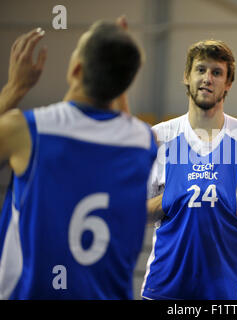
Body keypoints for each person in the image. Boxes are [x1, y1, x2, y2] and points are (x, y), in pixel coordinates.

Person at [0, 17, 157, 299]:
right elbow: (121, 123)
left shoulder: (25, 130)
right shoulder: (144, 142)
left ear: (76, 68)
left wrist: (15, 89)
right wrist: (116, 62)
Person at [142, 39, 237, 300]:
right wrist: (168, 200)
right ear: (187, 77)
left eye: (217, 72)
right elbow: (130, 214)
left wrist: (233, 206)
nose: (207, 79)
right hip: (165, 289)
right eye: (200, 70)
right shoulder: (159, 137)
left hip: (228, 291)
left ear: (228, 83)